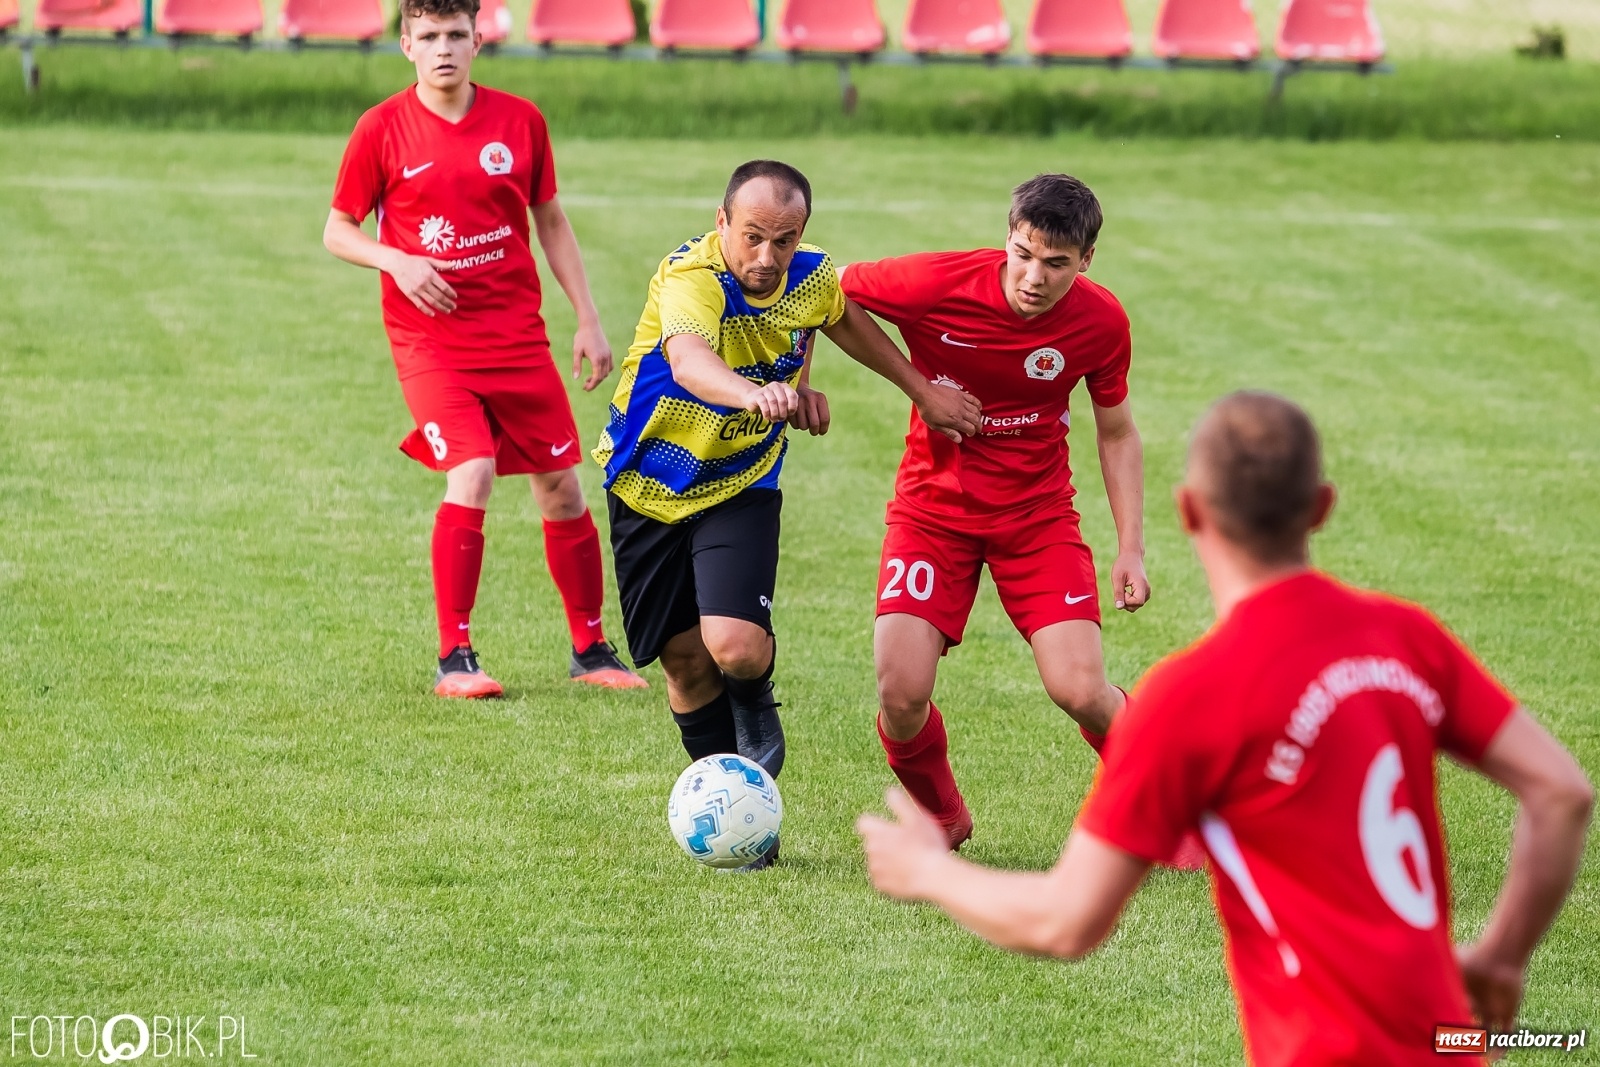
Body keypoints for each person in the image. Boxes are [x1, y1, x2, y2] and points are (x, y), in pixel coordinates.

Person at [857, 392, 1593, 1066]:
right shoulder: (1407, 638)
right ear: (1322, 507)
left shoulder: (1194, 697)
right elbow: (1562, 792)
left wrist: (929, 872)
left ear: (1189, 511)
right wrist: (1501, 957)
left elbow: (1064, 921)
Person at [594, 160, 983, 869]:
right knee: (685, 664)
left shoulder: (811, 276)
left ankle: (755, 707)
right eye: (752, 236)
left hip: (742, 481)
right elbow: (688, 360)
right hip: (646, 487)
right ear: (722, 223)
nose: (767, 257)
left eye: (784, 239)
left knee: (736, 646)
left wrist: (921, 391)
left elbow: (843, 320)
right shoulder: (690, 278)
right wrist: (755, 393)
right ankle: (743, 824)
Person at [842, 174, 1194, 861]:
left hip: (1037, 519)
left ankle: (1170, 809)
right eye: (1023, 254)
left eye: (1056, 264)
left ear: (1086, 259)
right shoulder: (936, 283)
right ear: (1007, 237)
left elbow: (1117, 431)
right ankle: (942, 817)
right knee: (900, 691)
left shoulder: (1101, 321)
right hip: (931, 513)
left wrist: (1131, 547)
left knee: (1081, 689)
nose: (1034, 277)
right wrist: (919, 388)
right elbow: (827, 295)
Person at [323, 0, 645, 698]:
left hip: (517, 337)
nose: (443, 48)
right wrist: (396, 260)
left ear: (478, 40)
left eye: (455, 35)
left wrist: (588, 318)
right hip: (431, 341)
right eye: (428, 36)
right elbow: (337, 229)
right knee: (470, 471)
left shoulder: (520, 122)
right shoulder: (380, 129)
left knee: (561, 485)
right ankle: (455, 657)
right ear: (406, 44)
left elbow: (550, 219)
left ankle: (591, 648)